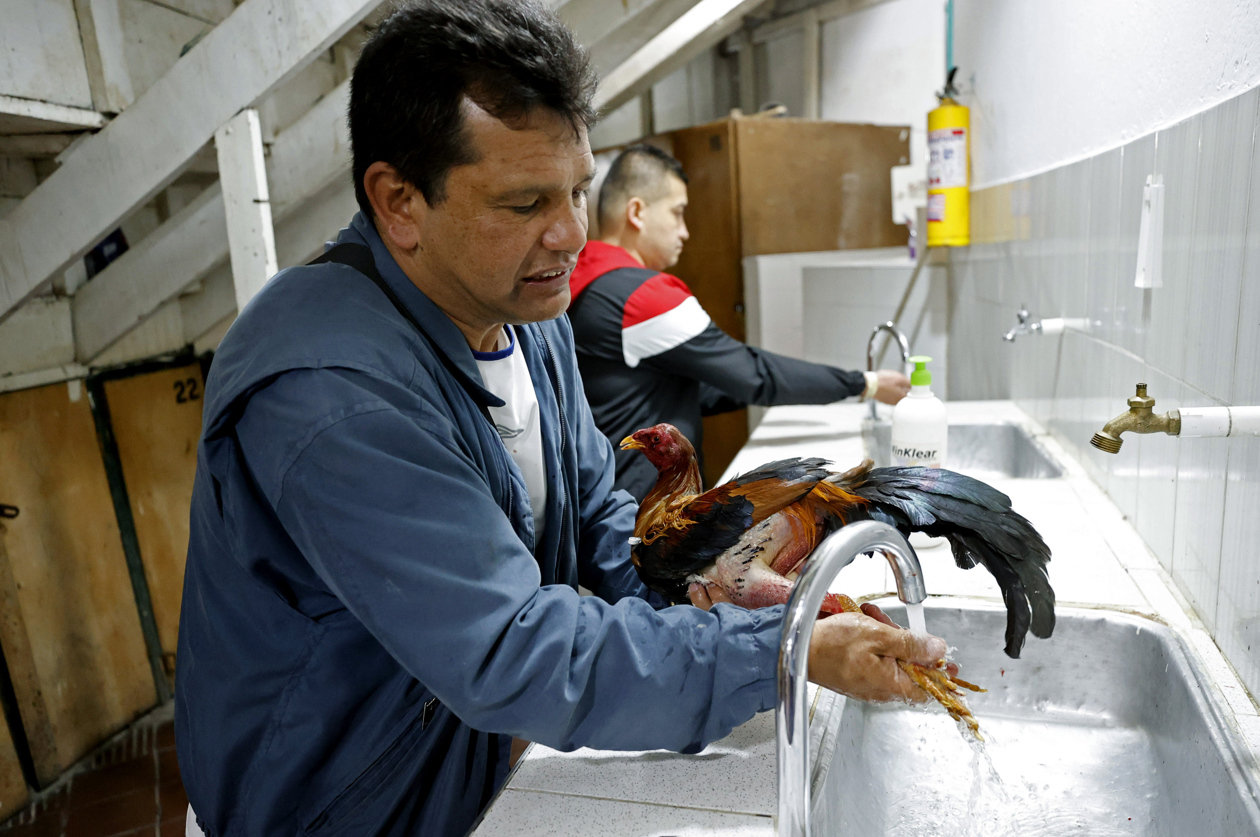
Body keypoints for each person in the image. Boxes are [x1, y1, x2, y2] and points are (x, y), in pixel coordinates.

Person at [174, 3, 948, 836]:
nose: (573, 231)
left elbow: (600, 516)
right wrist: (776, 654)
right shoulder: (332, 392)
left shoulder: (523, 315)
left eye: (578, 187)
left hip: (452, 755)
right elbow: (511, 647)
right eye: (524, 202)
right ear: (399, 201)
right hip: (335, 802)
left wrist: (720, 590)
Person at [569, 144, 911, 499]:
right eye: (678, 213)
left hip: (604, 498)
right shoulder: (643, 298)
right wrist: (864, 383)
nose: (684, 232)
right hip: (638, 512)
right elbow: (755, 375)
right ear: (637, 212)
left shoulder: (582, 283)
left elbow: (674, 390)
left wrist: (750, 379)